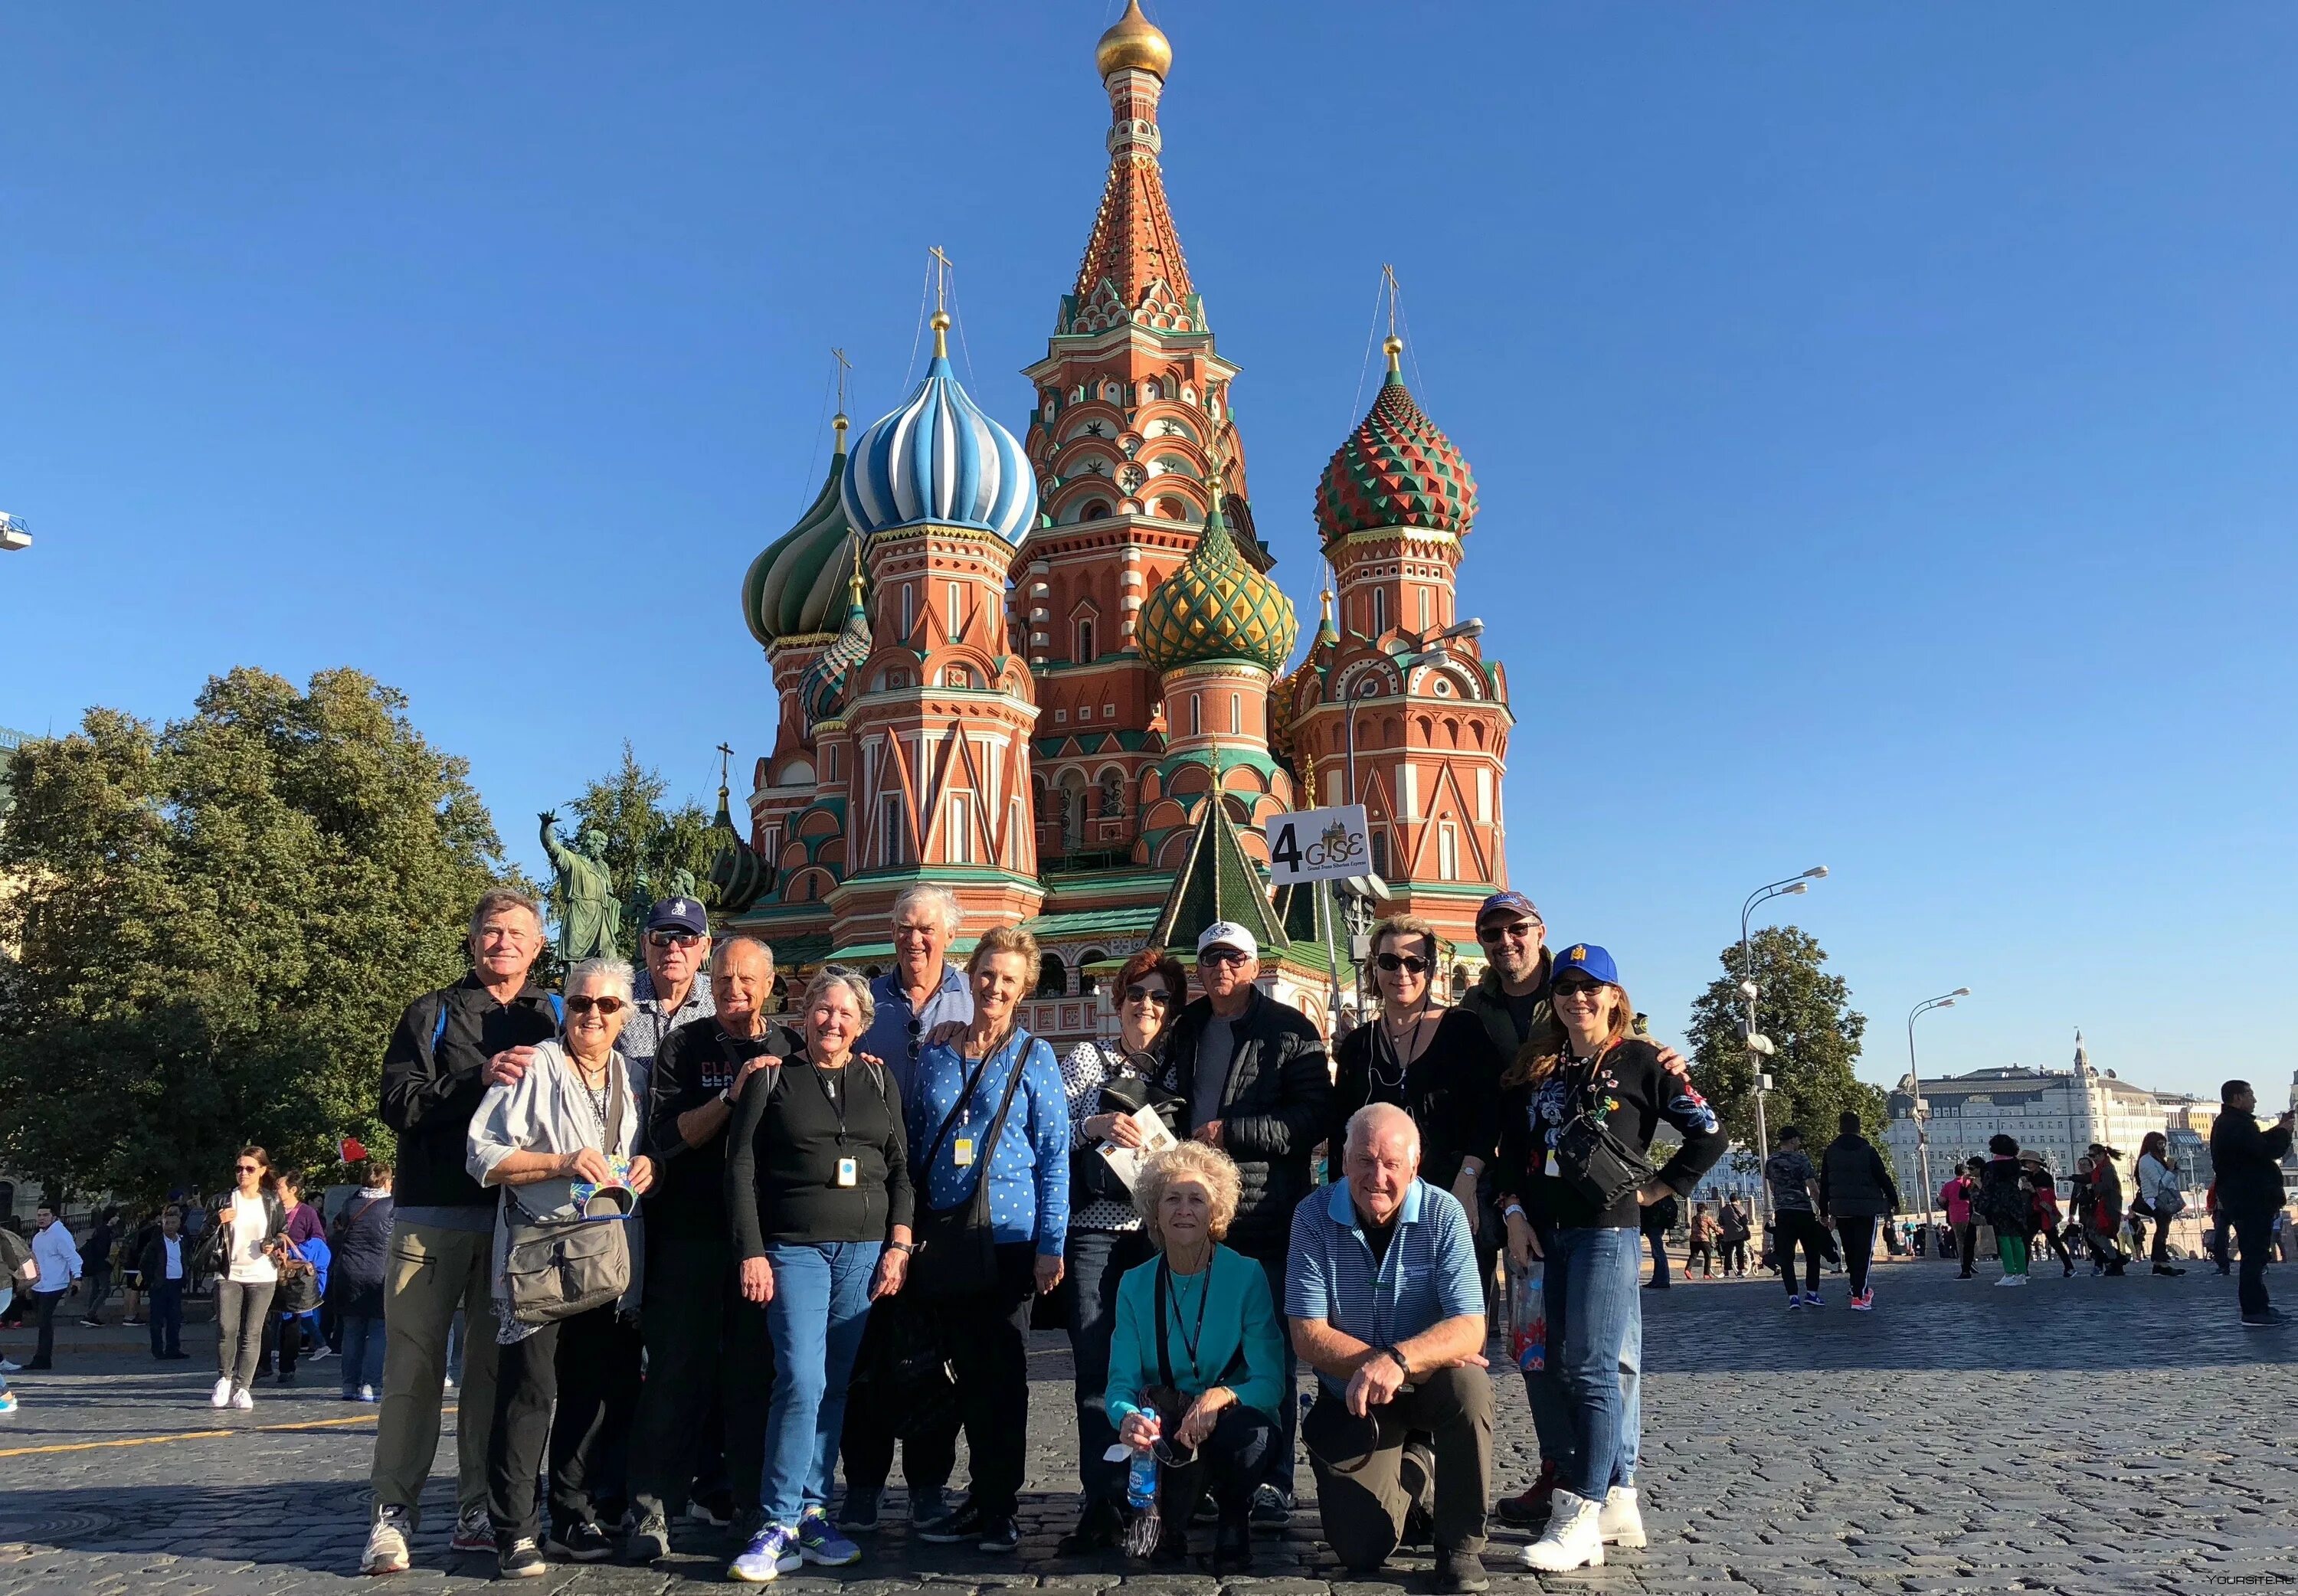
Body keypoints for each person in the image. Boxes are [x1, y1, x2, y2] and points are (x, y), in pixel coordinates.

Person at [1499, 944, 1724, 1572]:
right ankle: (1617, 1496)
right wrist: (1513, 1213)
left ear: (1615, 997)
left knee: (1594, 1367)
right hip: (1541, 1236)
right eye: (1567, 987)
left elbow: (1709, 1132)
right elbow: (1510, 1151)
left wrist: (1661, 1188)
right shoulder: (1538, 1066)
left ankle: (1581, 1514)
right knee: (1543, 1364)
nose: (1578, 998)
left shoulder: (1645, 1061)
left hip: (1604, 1231)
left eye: (1590, 987)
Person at [365, 887, 563, 1575]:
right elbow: (397, 1103)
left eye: (516, 933)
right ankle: (392, 1513)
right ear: (473, 941)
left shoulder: (554, 1014)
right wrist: (477, 1077)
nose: (502, 942)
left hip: (516, 1223)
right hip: (430, 1218)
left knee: (490, 1374)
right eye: (490, 932)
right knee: (413, 1368)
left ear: (539, 945)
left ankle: (477, 1506)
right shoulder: (433, 1011)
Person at [724, 967, 915, 1583]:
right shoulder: (773, 1077)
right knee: (801, 1378)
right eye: (822, 1011)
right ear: (805, 1015)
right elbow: (741, 1169)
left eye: (845, 1015)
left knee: (833, 1384)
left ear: (862, 1025)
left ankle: (812, 1510)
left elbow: (900, 1169)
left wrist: (900, 1246)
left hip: (863, 1251)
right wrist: (751, 1251)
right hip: (794, 1248)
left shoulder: (878, 1079)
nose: (833, 1022)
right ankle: (775, 1519)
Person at [468, 956, 657, 1578]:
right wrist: (561, 1162)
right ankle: (515, 1528)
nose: (593, 1016)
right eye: (581, 1004)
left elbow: (627, 1155)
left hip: (603, 1254)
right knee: (529, 1391)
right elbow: (483, 1156)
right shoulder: (535, 1065)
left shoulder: (628, 1076)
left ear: (624, 1014)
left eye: (607, 1006)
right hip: (540, 1254)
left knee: (590, 1389)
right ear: (564, 1008)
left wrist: (643, 1168)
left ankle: (571, 1512)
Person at [889, 925, 1068, 1555]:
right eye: (988, 974)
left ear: (1024, 989)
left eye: (1008, 979)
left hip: (1009, 1241)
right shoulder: (937, 1054)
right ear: (971, 977)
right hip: (942, 1238)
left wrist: (1052, 1243)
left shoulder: (1034, 1056)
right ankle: (944, 1492)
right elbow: (912, 1148)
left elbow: (1053, 1157)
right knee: (943, 1374)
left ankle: (997, 1502)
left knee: (999, 1377)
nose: (995, 986)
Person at [626, 936, 797, 1559]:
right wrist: (730, 1097)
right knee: (675, 1373)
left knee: (754, 1377)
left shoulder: (790, 1048)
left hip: (762, 1240)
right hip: (690, 1234)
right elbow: (667, 1139)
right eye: (724, 978)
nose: (735, 989)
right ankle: (650, 1509)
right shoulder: (684, 1046)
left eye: (748, 979)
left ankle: (753, 1503)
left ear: (769, 983)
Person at [1154, 920, 1330, 1526]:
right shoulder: (1190, 1029)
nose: (1220, 968)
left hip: (1264, 1216)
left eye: (1232, 958)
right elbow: (1170, 1093)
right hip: (1197, 1221)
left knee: (1268, 1356)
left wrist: (1231, 1133)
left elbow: (1311, 1120)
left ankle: (1271, 1480)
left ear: (1253, 967)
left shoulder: (1289, 1030)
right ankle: (1210, 1472)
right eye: (1209, 959)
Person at [1289, 1104, 1491, 1591]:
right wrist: (1376, 1366)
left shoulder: (1444, 1214)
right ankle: (1414, 1466)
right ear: (1343, 1162)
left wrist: (1400, 1362)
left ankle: (1460, 1546)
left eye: (1391, 1164)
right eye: (1363, 1160)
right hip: (1353, 1399)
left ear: (1414, 1167)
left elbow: (1471, 1326)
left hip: (1427, 1386)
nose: (1376, 1176)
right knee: (1361, 1549)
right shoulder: (1312, 1215)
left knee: (1470, 1384)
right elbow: (1306, 1332)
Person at [839, 883, 974, 1533]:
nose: (913, 939)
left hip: (945, 1208)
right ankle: (861, 1485)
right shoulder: (868, 1002)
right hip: (868, 1201)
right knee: (864, 1348)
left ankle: (927, 1487)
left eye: (926, 929)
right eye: (902, 928)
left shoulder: (974, 999)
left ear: (950, 934)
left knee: (932, 1359)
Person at [1056, 948, 1183, 1555]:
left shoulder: (1178, 1069)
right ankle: (1099, 1500)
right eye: (1137, 994)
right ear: (1119, 1000)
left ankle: (1149, 1501)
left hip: (1160, 1240)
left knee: (1157, 1373)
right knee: (1096, 1373)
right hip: (1097, 1236)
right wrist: (1096, 1126)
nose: (1147, 1006)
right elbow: (1056, 1127)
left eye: (1159, 997)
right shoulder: (1087, 1058)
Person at [1108, 1143, 1285, 1572]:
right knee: (1113, 1470)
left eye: (1196, 1199)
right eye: (1172, 1198)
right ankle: (1169, 1523)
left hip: (1226, 1422)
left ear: (1215, 1213)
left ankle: (1233, 1515)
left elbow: (1270, 1382)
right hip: (1164, 1422)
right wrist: (1129, 1417)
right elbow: (1120, 1384)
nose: (1183, 1210)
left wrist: (1220, 1396)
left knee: (1249, 1435)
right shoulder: (1133, 1285)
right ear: (1154, 1212)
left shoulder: (1246, 1275)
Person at [1327, 914, 1504, 1211]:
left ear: (1430, 969)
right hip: (1379, 1203)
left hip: (1452, 1197)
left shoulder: (1462, 1030)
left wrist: (1468, 1179)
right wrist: (1340, 1198)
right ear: (1375, 967)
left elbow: (1490, 1112)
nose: (1402, 973)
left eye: (1414, 963)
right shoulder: (1359, 1044)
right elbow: (1341, 1130)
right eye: (1389, 962)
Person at [2208, 1079, 2295, 1327]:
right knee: (2254, 1255)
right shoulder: (2234, 1125)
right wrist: (2283, 1132)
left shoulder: (2233, 1124)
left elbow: (2256, 1145)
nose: (2255, 1100)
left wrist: (2279, 1128)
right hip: (2250, 1198)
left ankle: (2260, 1306)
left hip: (2246, 1198)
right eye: (2250, 1095)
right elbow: (2264, 1150)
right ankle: (2253, 1311)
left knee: (2256, 1255)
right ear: (2237, 1098)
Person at [210, 1147, 290, 1408]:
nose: (243, 1173)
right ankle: (224, 1378)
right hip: (229, 1272)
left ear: (262, 1171)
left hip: (262, 1273)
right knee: (226, 1328)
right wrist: (217, 1221)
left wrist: (273, 1243)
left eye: (249, 1169)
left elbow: (282, 1231)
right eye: (239, 1168)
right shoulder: (223, 1200)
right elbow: (202, 1234)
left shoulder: (271, 1200)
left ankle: (244, 1387)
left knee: (252, 1332)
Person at [1818, 1111, 1899, 1312]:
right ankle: (1859, 1296)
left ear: (1840, 1127)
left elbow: (1825, 1182)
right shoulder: (1868, 1150)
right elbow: (1882, 1177)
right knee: (1864, 1252)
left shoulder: (1831, 1151)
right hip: (1866, 1209)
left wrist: (1823, 1210)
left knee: (1851, 1250)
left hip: (1841, 1209)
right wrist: (1894, 1201)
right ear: (1859, 1127)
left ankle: (1856, 1287)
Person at [330, 1163, 395, 1401]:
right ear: (386, 1182)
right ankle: (371, 1385)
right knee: (378, 1331)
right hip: (379, 1272)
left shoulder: (350, 1203)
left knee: (352, 1330)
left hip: (348, 1272)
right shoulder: (391, 1206)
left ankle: (349, 1384)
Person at [257, 1170, 329, 1385]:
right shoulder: (269, 1210)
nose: (275, 1190)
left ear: (293, 1190)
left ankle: (288, 1366)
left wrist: (294, 1252)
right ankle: (263, 1364)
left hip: (292, 1274)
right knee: (264, 1319)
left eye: (279, 1187)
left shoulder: (307, 1213)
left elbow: (318, 1240)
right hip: (267, 1269)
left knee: (292, 1320)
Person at [1764, 1129, 1828, 1307]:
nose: (1800, 1142)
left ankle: (1793, 1297)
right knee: (1812, 1254)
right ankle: (1812, 1293)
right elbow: (1813, 1189)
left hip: (1783, 1213)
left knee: (1786, 1257)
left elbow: (1772, 1186)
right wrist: (1824, 1211)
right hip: (1803, 1212)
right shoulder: (1801, 1160)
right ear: (1792, 1140)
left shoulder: (1771, 1161)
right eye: (1798, 1139)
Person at [25, 1204, 80, 1370]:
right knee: (42, 1322)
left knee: (44, 1322)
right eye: (39, 1215)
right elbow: (32, 1260)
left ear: (54, 1216)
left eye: (46, 1215)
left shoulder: (61, 1235)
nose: (41, 1218)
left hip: (55, 1284)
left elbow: (73, 1257)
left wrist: (78, 1278)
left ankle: (43, 1359)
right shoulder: (38, 1236)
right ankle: (41, 1357)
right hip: (39, 1285)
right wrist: (29, 1282)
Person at [1975, 1135, 2033, 1287]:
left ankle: (2009, 1273)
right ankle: (2021, 1273)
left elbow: (1987, 1188)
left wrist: (1981, 1206)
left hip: (1998, 1204)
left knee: (2003, 1237)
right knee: (2017, 1237)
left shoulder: (1990, 1166)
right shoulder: (2016, 1164)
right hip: (2015, 1201)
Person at [139, 1205, 192, 1360]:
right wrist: (153, 1280)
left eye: (173, 1223)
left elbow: (186, 1259)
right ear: (162, 1224)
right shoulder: (156, 1243)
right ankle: (157, 1349)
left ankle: (173, 1348)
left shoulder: (182, 1241)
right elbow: (145, 1263)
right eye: (167, 1223)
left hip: (176, 1284)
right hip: (160, 1285)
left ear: (179, 1224)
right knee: (157, 1320)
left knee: (174, 1319)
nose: (169, 1226)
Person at [2132, 1133, 2187, 1277]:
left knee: (2163, 1229)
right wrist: (2169, 1170)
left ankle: (2159, 1264)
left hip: (2161, 1198)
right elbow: (2160, 1184)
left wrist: (2173, 1170)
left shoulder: (2155, 1159)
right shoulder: (2147, 1160)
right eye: (2160, 1144)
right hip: (2155, 1199)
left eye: (2164, 1144)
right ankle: (2161, 1263)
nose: (2163, 1147)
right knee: (2162, 1229)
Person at [2023, 1156, 2074, 1278]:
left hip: (2043, 1213)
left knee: (2054, 1242)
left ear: (2037, 1164)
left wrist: (2032, 1190)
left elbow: (2046, 1194)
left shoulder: (2045, 1177)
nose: (2028, 1165)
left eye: (2030, 1162)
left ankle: (2069, 1267)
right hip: (2034, 1212)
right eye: (2027, 1163)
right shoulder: (2030, 1175)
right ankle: (2024, 1270)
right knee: (2026, 1240)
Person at [2084, 1145, 2129, 1276]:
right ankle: (2116, 1258)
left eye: (2093, 1156)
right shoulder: (2101, 1168)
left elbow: (2105, 1186)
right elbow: (2090, 1178)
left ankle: (2116, 1261)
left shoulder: (2107, 1169)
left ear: (2101, 1155)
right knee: (2094, 1234)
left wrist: (2093, 1187)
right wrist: (2070, 1178)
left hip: (2109, 1207)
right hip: (2105, 1206)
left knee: (2097, 1234)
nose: (2092, 1159)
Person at [77, 1208, 116, 1327]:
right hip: (100, 1265)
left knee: (94, 1289)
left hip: (94, 1263)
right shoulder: (106, 1231)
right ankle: (90, 1314)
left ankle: (91, 1316)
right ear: (112, 1217)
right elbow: (102, 1250)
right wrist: (107, 1258)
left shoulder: (100, 1229)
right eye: (117, 1216)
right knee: (105, 1289)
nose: (118, 1219)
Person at [1942, 1160, 1981, 1278]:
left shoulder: (1948, 1185)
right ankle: (1973, 1260)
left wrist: (1948, 1207)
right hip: (1969, 1215)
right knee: (1973, 1240)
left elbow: (1942, 1200)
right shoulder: (1970, 1182)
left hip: (1955, 1216)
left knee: (1960, 1240)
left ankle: (1963, 1262)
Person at [1638, 1193, 1676, 1290]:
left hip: (1653, 1225)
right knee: (1658, 1252)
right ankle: (1659, 1279)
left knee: (1658, 1253)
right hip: (1658, 1225)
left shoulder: (1654, 1199)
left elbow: (1647, 1212)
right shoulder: (1664, 1198)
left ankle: (1661, 1280)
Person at [1717, 1197, 1752, 1278]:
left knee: (1728, 1253)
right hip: (1739, 1234)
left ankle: (1726, 1271)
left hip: (1728, 1234)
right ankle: (1740, 1271)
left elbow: (1720, 1221)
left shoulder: (1724, 1209)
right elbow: (1745, 1221)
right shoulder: (1741, 1208)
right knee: (1740, 1253)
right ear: (1737, 1200)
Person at [1687, 1205, 1719, 1280]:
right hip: (1704, 1240)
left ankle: (1688, 1270)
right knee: (1708, 1257)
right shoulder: (1707, 1218)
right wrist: (1722, 1232)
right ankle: (1706, 1274)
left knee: (1693, 1256)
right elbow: (1715, 1227)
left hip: (1693, 1240)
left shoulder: (1693, 1218)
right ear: (1704, 1210)